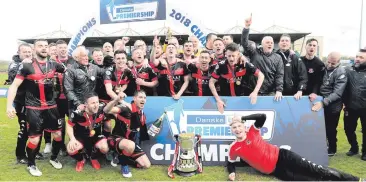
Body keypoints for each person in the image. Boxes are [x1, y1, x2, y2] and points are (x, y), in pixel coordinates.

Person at [227, 113, 362, 181]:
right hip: (275, 171)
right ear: (231, 130)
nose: (237, 129)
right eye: (234, 127)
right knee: (309, 179)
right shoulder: (234, 147)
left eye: (239, 126)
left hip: (283, 157)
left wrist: (243, 117)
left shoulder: (252, 131)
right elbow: (230, 162)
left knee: (317, 170)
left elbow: (262, 116)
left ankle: (355, 180)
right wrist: (231, 172)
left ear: (243, 127)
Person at [6, 39, 65, 176]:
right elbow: (14, 86)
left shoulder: (54, 64)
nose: (44, 48)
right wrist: (9, 106)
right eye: (40, 46)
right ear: (34, 49)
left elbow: (68, 70)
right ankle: (31, 164)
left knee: (57, 134)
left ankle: (54, 158)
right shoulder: (26, 66)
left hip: (52, 106)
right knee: (34, 139)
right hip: (33, 108)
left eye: (46, 46)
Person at [104, 90, 159, 178]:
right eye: (140, 97)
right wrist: (116, 100)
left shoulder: (142, 116)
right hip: (115, 139)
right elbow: (106, 110)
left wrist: (153, 131)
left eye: (145, 98)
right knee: (130, 145)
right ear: (134, 98)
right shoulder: (125, 108)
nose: (143, 100)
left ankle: (119, 158)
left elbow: (144, 133)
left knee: (146, 165)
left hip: (130, 143)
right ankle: (124, 165)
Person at [209, 43, 264, 113]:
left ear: (238, 54)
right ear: (225, 54)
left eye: (233, 56)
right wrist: (218, 100)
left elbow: (261, 75)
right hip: (226, 102)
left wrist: (255, 92)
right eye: (229, 56)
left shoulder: (244, 64)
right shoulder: (220, 65)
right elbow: (211, 82)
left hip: (244, 100)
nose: (231, 59)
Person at [241, 14, 284, 101]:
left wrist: (279, 90)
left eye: (271, 43)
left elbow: (279, 75)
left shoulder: (278, 57)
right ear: (262, 44)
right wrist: (246, 27)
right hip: (252, 92)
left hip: (269, 93)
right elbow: (244, 43)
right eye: (267, 42)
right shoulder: (254, 52)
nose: (270, 44)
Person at [311, 52, 347, 156]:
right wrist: (315, 93)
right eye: (329, 62)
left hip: (333, 105)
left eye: (333, 63)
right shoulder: (324, 68)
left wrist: (323, 102)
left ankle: (332, 148)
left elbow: (337, 93)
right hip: (322, 102)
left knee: (330, 128)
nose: (330, 65)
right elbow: (319, 82)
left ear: (339, 62)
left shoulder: (341, 72)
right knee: (321, 127)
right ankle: (323, 145)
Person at [66, 93, 110, 172]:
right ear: (85, 104)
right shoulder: (77, 113)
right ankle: (81, 159)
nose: (96, 105)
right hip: (80, 137)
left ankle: (93, 157)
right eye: (93, 103)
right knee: (70, 149)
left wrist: (107, 136)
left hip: (96, 136)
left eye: (97, 102)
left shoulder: (102, 109)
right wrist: (72, 139)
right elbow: (69, 125)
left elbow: (108, 118)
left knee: (105, 148)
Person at [342, 48, 366, 160]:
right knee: (348, 129)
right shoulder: (347, 70)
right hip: (350, 106)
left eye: (361, 57)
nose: (357, 59)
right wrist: (343, 102)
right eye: (357, 56)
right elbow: (342, 87)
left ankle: (365, 152)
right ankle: (354, 147)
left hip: (365, 107)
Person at [276, 34, 308, 99]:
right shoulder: (274, 56)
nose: (284, 42)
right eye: (282, 41)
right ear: (279, 43)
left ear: (290, 44)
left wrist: (300, 90)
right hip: (276, 93)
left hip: (292, 94)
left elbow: (303, 76)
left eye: (287, 41)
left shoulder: (295, 58)